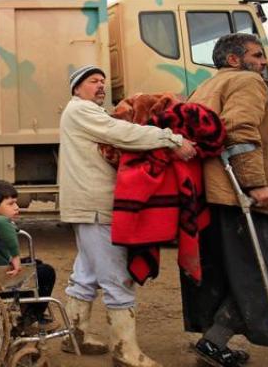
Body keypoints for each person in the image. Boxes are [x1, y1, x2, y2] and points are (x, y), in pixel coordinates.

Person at [58, 64, 196, 367]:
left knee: (87, 272)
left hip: (88, 203)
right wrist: (171, 139)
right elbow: (123, 133)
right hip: (95, 204)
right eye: (93, 81)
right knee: (117, 277)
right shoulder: (82, 111)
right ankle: (125, 350)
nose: (100, 86)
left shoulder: (82, 112)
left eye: (103, 82)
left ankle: (75, 336)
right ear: (77, 88)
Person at [182, 33, 268, 366]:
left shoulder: (205, 86)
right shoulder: (247, 82)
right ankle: (214, 341)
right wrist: (255, 184)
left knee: (230, 273)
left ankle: (213, 341)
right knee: (264, 277)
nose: (263, 63)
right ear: (235, 59)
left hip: (213, 194)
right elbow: (238, 128)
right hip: (239, 196)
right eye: (257, 55)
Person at [0, 180, 56, 333]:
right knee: (46, 272)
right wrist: (15, 257)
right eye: (10, 204)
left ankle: (27, 311)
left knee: (36, 263)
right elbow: (5, 226)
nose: (16, 207)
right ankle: (32, 317)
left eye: (16, 203)